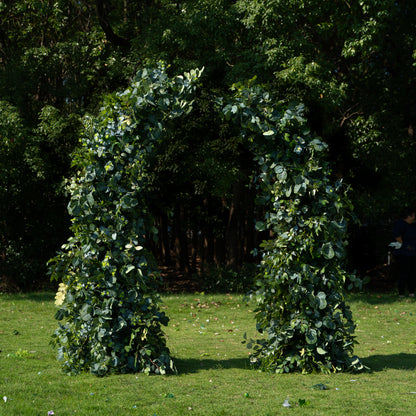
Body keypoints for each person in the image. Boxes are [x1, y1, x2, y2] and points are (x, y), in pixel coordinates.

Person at [392, 208, 416, 297]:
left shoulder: (413, 225)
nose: (414, 217)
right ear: (409, 216)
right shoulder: (400, 224)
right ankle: (401, 293)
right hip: (402, 253)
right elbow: (397, 236)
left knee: (412, 273)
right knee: (403, 272)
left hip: (413, 253)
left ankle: (411, 292)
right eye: (413, 215)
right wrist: (404, 245)